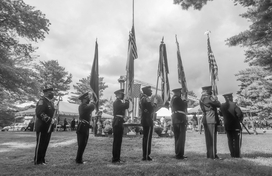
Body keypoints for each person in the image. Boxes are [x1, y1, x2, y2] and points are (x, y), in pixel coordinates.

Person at [34, 87, 55, 165]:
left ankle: (42, 160)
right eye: (50, 92)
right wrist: (49, 120)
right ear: (46, 93)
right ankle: (37, 160)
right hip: (42, 126)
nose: (52, 94)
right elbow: (40, 113)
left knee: (45, 144)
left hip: (48, 127)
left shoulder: (50, 102)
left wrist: (53, 120)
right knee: (40, 144)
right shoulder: (42, 101)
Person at [199, 86, 221, 160]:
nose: (211, 91)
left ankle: (210, 154)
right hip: (211, 118)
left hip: (207, 118)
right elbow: (218, 104)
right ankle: (213, 155)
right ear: (207, 91)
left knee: (209, 139)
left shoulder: (202, 98)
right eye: (210, 90)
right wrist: (216, 99)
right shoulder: (207, 98)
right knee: (212, 138)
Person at [220, 93, 243, 158]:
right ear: (230, 98)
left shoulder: (222, 106)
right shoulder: (234, 105)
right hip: (235, 125)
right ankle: (236, 155)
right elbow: (239, 114)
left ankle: (232, 154)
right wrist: (240, 119)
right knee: (236, 140)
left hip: (227, 125)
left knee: (230, 140)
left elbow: (221, 114)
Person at [76, 92, 95, 164]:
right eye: (87, 98)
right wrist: (93, 102)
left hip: (85, 126)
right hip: (82, 127)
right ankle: (78, 160)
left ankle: (79, 159)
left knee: (83, 144)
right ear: (83, 99)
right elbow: (91, 107)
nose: (88, 99)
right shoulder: (82, 106)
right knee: (81, 144)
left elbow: (91, 109)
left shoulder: (85, 106)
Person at [112, 89, 129, 163]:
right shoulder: (117, 102)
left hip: (119, 121)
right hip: (117, 122)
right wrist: (127, 99)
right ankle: (115, 159)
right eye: (122, 94)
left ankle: (117, 158)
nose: (123, 95)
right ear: (118, 95)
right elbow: (126, 105)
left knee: (118, 141)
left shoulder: (118, 102)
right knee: (117, 141)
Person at [140, 86, 157, 161]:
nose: (151, 92)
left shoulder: (144, 98)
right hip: (147, 120)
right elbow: (150, 108)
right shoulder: (145, 98)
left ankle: (146, 155)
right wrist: (155, 104)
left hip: (146, 120)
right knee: (147, 139)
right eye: (150, 91)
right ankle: (146, 155)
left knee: (146, 138)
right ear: (146, 91)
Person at [170, 88, 188, 160]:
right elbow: (184, 106)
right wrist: (184, 101)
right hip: (179, 119)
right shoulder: (177, 99)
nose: (181, 93)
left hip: (176, 119)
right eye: (180, 92)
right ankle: (179, 154)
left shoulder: (173, 99)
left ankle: (178, 153)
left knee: (177, 138)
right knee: (181, 138)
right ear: (178, 92)